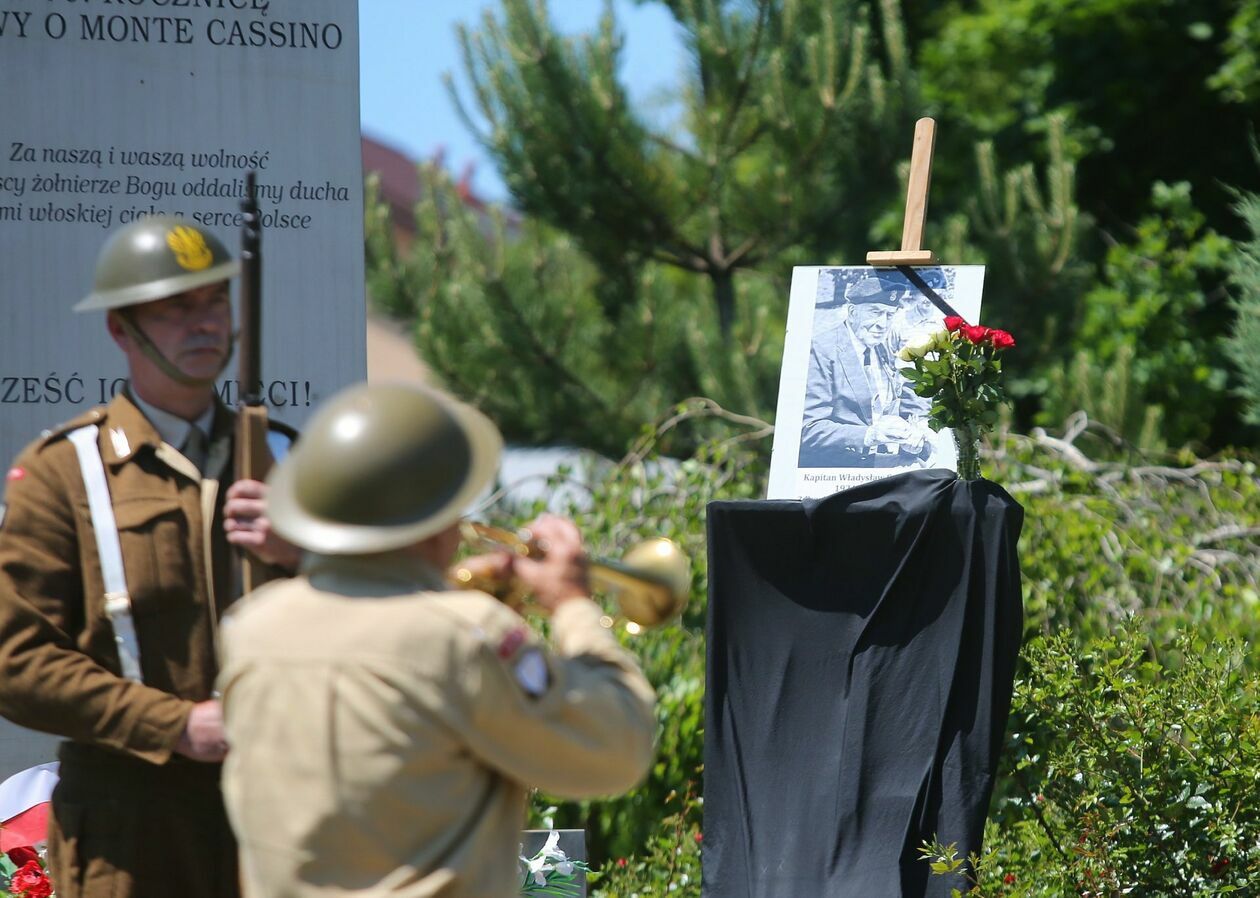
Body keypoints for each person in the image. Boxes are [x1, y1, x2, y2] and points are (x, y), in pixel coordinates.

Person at [217, 382, 657, 898]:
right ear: (431, 525)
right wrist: (572, 604)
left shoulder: (250, 627)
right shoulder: (466, 636)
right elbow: (618, 747)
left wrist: (444, 590)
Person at [0, 216, 300, 898]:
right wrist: (175, 726)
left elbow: (373, 622)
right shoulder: (62, 473)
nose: (203, 323)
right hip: (129, 830)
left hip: (275, 820)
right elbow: (16, 663)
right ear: (120, 329)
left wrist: (305, 556)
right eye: (175, 308)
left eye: (215, 301)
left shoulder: (289, 460)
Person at [798, 271, 934, 468]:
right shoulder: (821, 350)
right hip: (833, 470)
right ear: (852, 312)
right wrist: (870, 435)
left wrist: (917, 430)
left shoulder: (881, 346)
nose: (882, 324)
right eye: (875, 312)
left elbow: (907, 390)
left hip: (878, 463)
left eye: (889, 315)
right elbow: (808, 429)